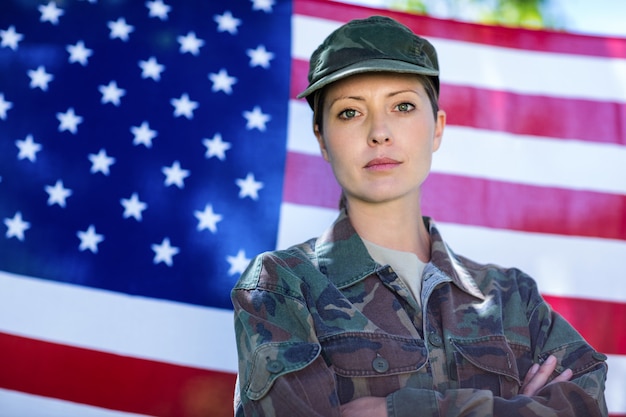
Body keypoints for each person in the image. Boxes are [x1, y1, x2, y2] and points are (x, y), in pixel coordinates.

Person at [231, 15, 608, 417]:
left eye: (403, 106)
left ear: (437, 128)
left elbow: (587, 403)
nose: (379, 132)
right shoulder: (282, 286)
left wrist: (395, 410)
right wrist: (517, 408)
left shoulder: (512, 298)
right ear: (322, 138)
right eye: (349, 113)